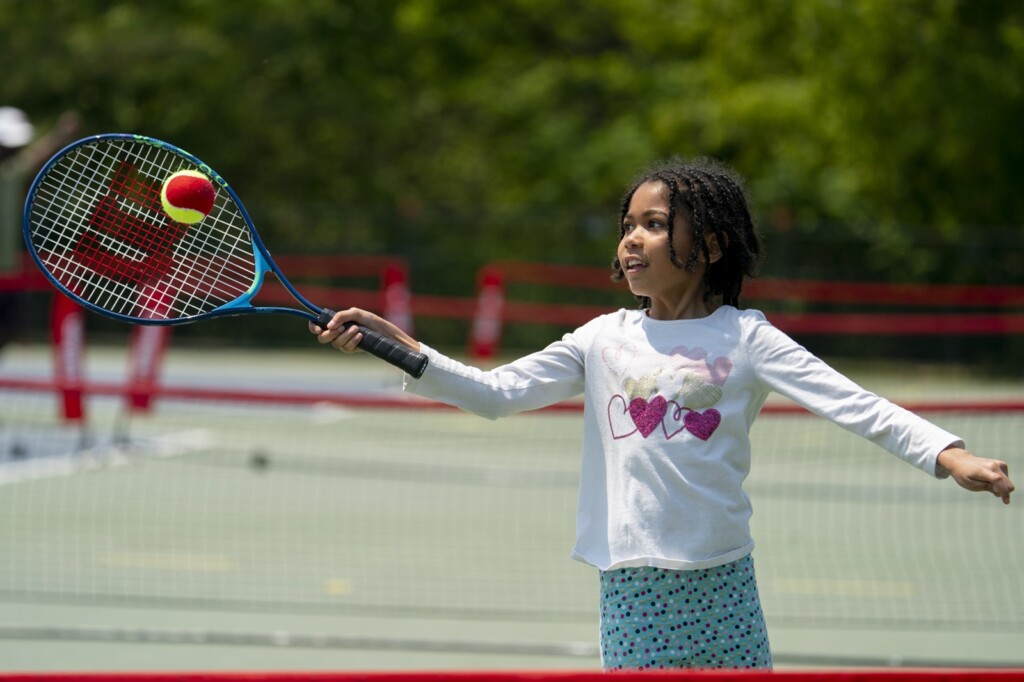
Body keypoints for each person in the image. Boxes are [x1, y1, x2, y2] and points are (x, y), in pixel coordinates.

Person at [310, 157, 1014, 671]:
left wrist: (949, 456)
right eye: (627, 226)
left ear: (707, 247)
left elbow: (857, 405)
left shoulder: (749, 338)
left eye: (653, 225)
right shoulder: (601, 338)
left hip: (725, 580)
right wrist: (399, 347)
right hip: (634, 585)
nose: (631, 240)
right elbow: (495, 395)